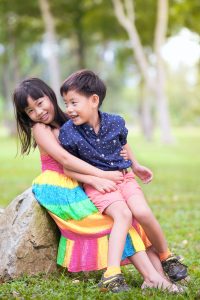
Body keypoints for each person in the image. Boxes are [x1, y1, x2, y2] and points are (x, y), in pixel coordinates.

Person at [12, 77, 184, 294]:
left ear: (50, 96)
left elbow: (109, 140)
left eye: (39, 102)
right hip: (61, 188)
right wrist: (98, 176)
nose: (38, 111)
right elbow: (65, 161)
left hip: (84, 180)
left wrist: (125, 160)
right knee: (115, 220)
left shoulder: (72, 122)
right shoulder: (41, 128)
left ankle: (158, 275)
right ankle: (150, 277)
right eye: (30, 110)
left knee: (133, 217)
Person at [59, 69, 188, 290]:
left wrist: (136, 165)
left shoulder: (115, 122)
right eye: (66, 104)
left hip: (125, 178)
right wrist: (94, 179)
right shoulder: (69, 132)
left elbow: (123, 143)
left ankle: (166, 257)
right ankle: (112, 274)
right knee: (123, 215)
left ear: (94, 100)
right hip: (98, 186)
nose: (69, 109)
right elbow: (68, 168)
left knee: (143, 212)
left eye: (73, 102)